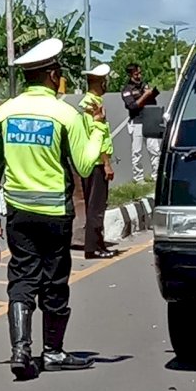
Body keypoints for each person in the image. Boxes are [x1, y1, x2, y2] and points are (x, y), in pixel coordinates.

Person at [0, 38, 108, 379]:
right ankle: (52, 351)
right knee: (54, 282)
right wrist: (97, 125)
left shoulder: (4, 112)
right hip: (55, 215)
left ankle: (20, 351)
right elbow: (84, 166)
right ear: (53, 76)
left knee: (22, 278)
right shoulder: (66, 114)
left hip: (19, 214)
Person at [79, 63, 115, 259]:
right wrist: (106, 163)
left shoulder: (90, 102)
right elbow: (97, 136)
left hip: (92, 161)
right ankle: (93, 247)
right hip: (96, 163)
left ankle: (98, 244)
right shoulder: (93, 105)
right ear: (100, 82)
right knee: (96, 207)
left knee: (95, 206)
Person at [122, 62, 160, 183]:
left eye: (139, 73)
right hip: (137, 121)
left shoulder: (145, 85)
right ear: (130, 75)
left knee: (154, 149)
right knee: (137, 151)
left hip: (149, 119)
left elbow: (153, 101)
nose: (139, 76)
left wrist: (151, 94)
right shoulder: (127, 90)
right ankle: (138, 178)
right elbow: (132, 106)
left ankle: (156, 176)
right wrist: (145, 96)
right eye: (136, 74)